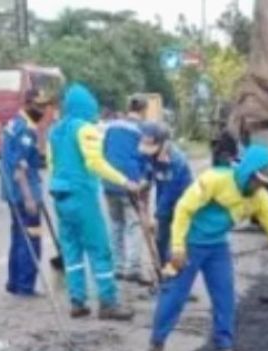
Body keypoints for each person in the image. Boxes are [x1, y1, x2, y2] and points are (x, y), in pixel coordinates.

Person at [146, 144, 268, 351]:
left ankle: (224, 345)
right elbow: (184, 208)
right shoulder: (215, 179)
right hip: (187, 245)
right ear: (248, 172)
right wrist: (177, 247)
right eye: (258, 180)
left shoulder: (259, 198)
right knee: (174, 295)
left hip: (217, 247)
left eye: (265, 183)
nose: (260, 186)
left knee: (225, 296)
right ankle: (157, 344)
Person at [48, 83, 139, 321]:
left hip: (60, 196)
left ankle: (77, 301)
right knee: (99, 248)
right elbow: (95, 164)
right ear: (88, 106)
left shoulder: (55, 131)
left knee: (71, 250)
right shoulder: (85, 129)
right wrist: (124, 181)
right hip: (81, 195)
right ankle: (108, 302)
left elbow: (51, 165)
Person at [0, 88, 51, 297]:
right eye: (38, 106)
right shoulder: (25, 131)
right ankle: (25, 285)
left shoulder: (14, 124)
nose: (41, 110)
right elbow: (19, 168)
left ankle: (14, 281)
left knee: (18, 236)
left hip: (13, 192)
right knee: (31, 238)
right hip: (23, 192)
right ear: (28, 104)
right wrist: (29, 196)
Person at [103, 95, 149, 285]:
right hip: (132, 182)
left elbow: (103, 150)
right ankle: (133, 268)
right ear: (144, 109)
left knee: (116, 224)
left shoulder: (112, 126)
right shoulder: (143, 129)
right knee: (133, 224)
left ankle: (118, 266)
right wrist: (145, 180)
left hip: (110, 181)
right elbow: (146, 157)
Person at [139, 122, 193, 265]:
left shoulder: (176, 161)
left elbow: (169, 193)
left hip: (182, 204)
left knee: (177, 243)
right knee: (160, 241)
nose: (150, 151)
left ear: (164, 143)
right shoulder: (152, 154)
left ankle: (176, 277)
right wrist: (143, 182)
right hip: (163, 201)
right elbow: (148, 171)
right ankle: (164, 275)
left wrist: (156, 217)